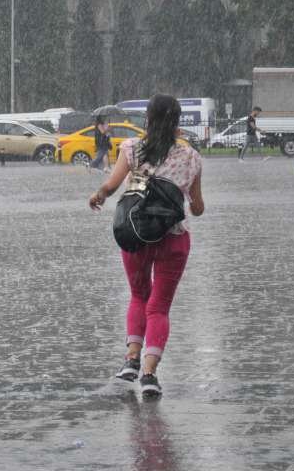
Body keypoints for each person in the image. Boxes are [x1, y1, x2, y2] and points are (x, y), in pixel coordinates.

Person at [89, 94, 204, 397]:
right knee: (160, 307)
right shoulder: (190, 156)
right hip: (174, 237)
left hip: (135, 234)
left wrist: (99, 195)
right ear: (178, 121)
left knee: (139, 296)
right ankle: (150, 374)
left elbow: (110, 187)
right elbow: (198, 206)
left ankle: (131, 360)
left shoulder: (132, 148)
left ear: (148, 120)